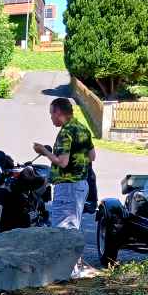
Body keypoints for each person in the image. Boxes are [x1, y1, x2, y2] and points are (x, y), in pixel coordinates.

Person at [33, 97, 95, 230]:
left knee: (62, 231)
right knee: (72, 229)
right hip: (81, 186)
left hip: (67, 188)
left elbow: (62, 162)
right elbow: (92, 156)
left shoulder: (66, 132)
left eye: (51, 113)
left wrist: (43, 151)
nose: (51, 117)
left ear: (59, 113)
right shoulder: (83, 129)